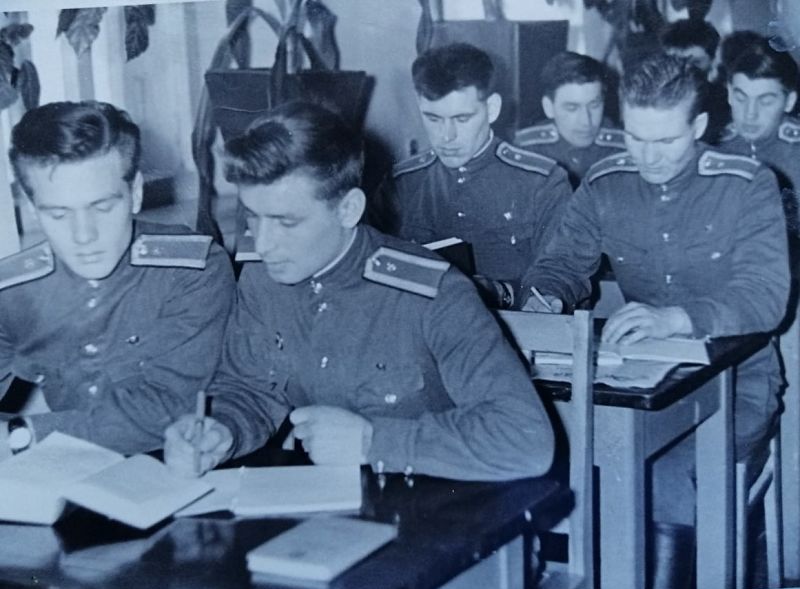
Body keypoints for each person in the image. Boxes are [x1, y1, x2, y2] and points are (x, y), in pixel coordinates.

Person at [163, 102, 555, 482]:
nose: (263, 244)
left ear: (349, 209)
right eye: (252, 218)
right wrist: (222, 430)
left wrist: (373, 442)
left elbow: (526, 439)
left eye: (286, 223)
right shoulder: (262, 281)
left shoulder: (433, 293)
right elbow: (249, 389)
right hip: (325, 501)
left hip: (439, 501)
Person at [521, 55, 790, 589]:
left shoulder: (747, 185)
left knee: (662, 475)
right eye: (636, 139)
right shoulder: (606, 183)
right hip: (641, 381)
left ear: (698, 126)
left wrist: (677, 319)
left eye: (666, 141)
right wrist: (544, 299)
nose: (649, 157)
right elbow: (562, 264)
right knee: (552, 457)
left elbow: (765, 297)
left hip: (738, 382)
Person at [0, 101, 234, 457]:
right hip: (52, 472)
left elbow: (167, 408)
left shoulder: (191, 272)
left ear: (135, 192)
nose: (84, 235)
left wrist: (22, 435)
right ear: (33, 210)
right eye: (59, 214)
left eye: (102, 207)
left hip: (169, 465)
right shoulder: (13, 289)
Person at [372, 43, 571, 309]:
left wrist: (508, 294)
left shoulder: (542, 183)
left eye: (462, 119)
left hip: (513, 326)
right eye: (433, 119)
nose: (447, 136)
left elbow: (560, 270)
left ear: (492, 108)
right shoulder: (402, 184)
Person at [718, 40, 800, 234]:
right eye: (741, 98)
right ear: (729, 93)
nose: (750, 114)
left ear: (789, 101)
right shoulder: (715, 147)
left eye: (765, 101)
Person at [512, 51, 625, 188]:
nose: (586, 121)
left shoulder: (623, 148)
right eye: (572, 108)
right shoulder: (527, 150)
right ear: (549, 107)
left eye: (594, 105)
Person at [661, 18, 728, 144]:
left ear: (712, 60)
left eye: (695, 62)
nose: (685, 69)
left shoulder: (725, 103)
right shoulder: (650, 101)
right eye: (676, 62)